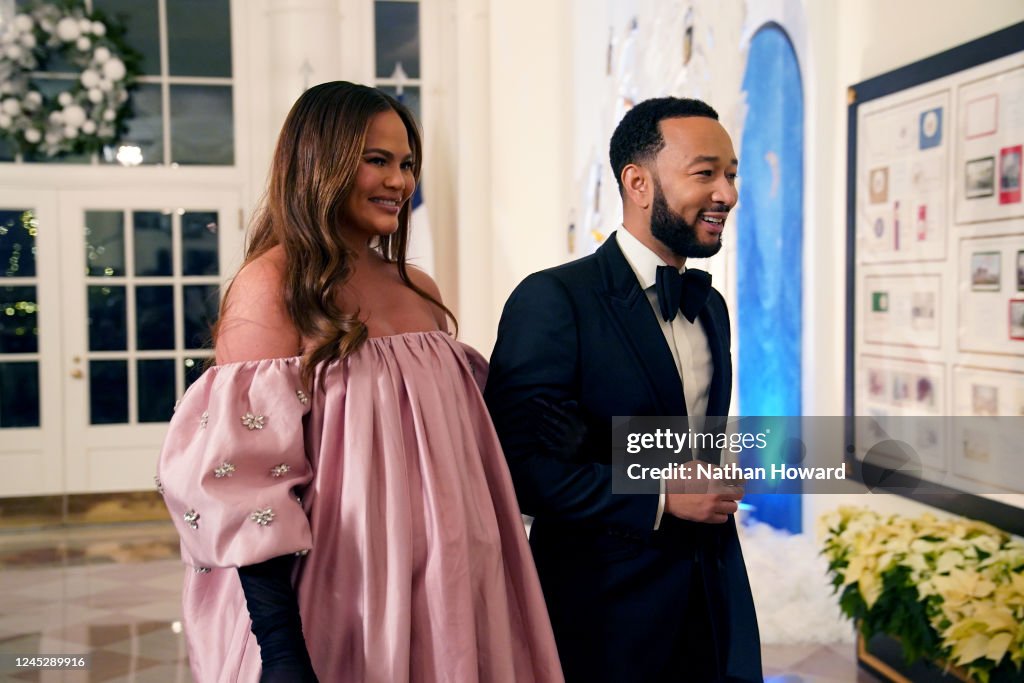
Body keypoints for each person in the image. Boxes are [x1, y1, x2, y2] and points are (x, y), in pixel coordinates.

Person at [157, 81, 562, 683]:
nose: (400, 181)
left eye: (406, 164)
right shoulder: (273, 289)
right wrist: (281, 649)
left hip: (454, 596)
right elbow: (240, 480)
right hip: (344, 601)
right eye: (377, 161)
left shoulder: (420, 291)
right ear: (319, 162)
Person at [484, 97, 761, 682]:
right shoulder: (553, 300)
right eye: (705, 173)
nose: (728, 194)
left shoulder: (710, 305)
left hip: (710, 599)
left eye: (732, 174)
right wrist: (660, 495)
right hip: (603, 616)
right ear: (638, 182)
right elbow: (517, 468)